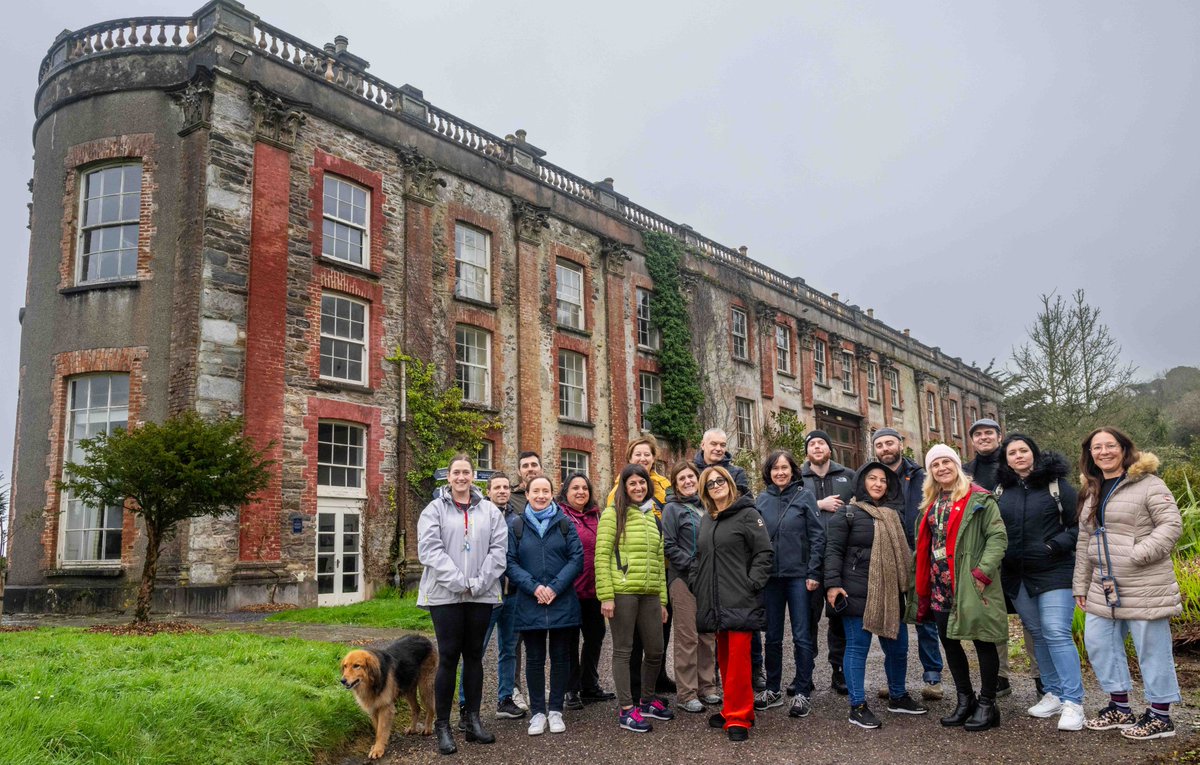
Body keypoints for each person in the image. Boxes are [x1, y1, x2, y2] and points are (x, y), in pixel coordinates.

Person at [1074, 427, 1183, 741]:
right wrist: (1080, 584)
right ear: (1090, 454)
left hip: (1144, 581)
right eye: (1097, 447)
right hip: (1102, 584)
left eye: (1110, 445)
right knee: (1098, 641)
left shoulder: (1149, 484)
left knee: (1151, 648)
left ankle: (1161, 716)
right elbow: (1084, 541)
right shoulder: (1091, 489)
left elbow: (1170, 524)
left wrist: (1138, 554)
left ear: (1124, 449)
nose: (1104, 451)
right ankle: (1119, 707)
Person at [910, 444, 1008, 733]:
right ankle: (965, 699)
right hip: (940, 582)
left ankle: (988, 703)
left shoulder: (979, 499)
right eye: (935, 465)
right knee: (949, 642)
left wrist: (982, 572)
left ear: (956, 465)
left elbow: (997, 537)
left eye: (946, 462)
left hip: (970, 580)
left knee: (982, 640)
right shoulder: (930, 502)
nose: (942, 468)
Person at [825, 462, 928, 729]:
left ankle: (898, 695)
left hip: (891, 592)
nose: (878, 483)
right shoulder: (848, 513)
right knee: (857, 648)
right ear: (862, 482)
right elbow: (833, 551)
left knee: (898, 647)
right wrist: (833, 584)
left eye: (884, 480)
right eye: (872, 478)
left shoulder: (895, 515)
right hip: (856, 591)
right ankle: (857, 706)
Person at [416, 454, 508, 755]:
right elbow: (430, 550)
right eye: (456, 472)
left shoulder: (490, 512)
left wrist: (479, 581)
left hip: (480, 593)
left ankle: (473, 721)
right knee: (449, 656)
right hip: (446, 595)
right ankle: (443, 725)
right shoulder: (434, 510)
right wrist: (459, 581)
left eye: (466, 472)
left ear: (473, 476)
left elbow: (498, 550)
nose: (461, 477)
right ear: (448, 476)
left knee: (474, 656)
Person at [996, 433, 1084, 731]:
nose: (1018, 456)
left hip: (1054, 570)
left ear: (1033, 453)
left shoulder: (1056, 485)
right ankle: (1054, 693)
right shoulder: (1000, 490)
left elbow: (1078, 527)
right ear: (1005, 459)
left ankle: (1074, 702)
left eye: (1024, 450)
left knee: (1056, 631)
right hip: (1016, 574)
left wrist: (1052, 547)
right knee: (1037, 632)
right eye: (1012, 453)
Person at [691, 465, 774, 742]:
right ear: (705, 491)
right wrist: (696, 582)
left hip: (739, 598)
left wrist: (751, 584)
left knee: (739, 660)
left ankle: (739, 717)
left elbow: (764, 553)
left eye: (720, 480)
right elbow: (698, 556)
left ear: (729, 482)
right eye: (710, 483)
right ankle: (733, 709)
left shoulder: (748, 514)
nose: (716, 485)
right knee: (725, 659)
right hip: (714, 600)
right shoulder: (707, 519)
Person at [595, 464, 673, 733]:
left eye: (642, 483)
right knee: (623, 651)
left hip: (651, 593)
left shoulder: (652, 515)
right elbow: (602, 556)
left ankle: (647, 699)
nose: (638, 487)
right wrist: (606, 596)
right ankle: (627, 709)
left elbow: (659, 560)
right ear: (624, 488)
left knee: (655, 651)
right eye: (632, 484)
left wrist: (662, 599)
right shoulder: (612, 514)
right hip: (623, 592)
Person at [506, 474, 585, 736]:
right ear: (526, 495)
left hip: (561, 599)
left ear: (553, 494)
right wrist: (535, 587)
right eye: (535, 491)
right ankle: (538, 712)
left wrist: (554, 587)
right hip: (531, 601)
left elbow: (576, 558)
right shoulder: (516, 526)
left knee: (561, 657)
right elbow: (510, 562)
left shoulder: (564, 523)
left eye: (546, 491)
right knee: (535, 658)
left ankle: (556, 710)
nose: (541, 496)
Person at [872, 428, 944, 700]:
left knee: (925, 617)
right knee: (890, 618)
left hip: (919, 554)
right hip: (887, 555)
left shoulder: (921, 475)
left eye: (889, 442)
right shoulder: (874, 478)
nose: (885, 448)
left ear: (901, 444)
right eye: (879, 445)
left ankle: (932, 678)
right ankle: (894, 679)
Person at [754, 449, 822, 718]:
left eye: (784, 468)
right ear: (768, 473)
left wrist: (814, 573)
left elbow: (818, 537)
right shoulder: (761, 500)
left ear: (793, 470)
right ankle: (773, 689)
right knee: (772, 637)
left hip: (799, 577)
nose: (780, 472)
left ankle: (803, 692)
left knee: (802, 636)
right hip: (771, 578)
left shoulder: (805, 497)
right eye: (775, 468)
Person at [606, 435, 675, 696]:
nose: (643, 458)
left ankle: (658, 677)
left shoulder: (666, 487)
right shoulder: (618, 491)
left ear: (654, 458)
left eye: (647, 454)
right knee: (632, 636)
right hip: (632, 571)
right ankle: (634, 684)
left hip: (661, 566)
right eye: (638, 454)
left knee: (660, 629)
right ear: (629, 458)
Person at [693, 427, 761, 688]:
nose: (719, 449)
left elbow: (746, 504)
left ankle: (754, 671)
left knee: (743, 623)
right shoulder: (692, 470)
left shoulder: (736, 473)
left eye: (723, 444)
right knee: (714, 626)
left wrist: (752, 581)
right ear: (703, 444)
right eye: (714, 444)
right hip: (706, 552)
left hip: (733, 556)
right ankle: (716, 677)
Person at [457, 472, 526, 723]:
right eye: (497, 487)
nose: (502, 491)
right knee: (476, 650)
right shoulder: (479, 517)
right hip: (487, 593)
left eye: (506, 487)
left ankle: (505, 699)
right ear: (488, 491)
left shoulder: (518, 519)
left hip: (513, 594)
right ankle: (466, 706)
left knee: (509, 649)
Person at [962, 418, 1018, 696]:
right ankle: (1000, 675)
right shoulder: (966, 471)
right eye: (978, 434)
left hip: (1015, 550)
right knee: (991, 617)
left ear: (1000, 436)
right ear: (971, 440)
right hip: (981, 555)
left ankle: (1042, 679)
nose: (983, 438)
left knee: (1029, 621)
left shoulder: (1014, 465)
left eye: (989, 433)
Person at [662, 461, 720, 713]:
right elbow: (669, 545)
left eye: (691, 477)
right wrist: (692, 565)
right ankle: (686, 693)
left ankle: (707, 687)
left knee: (707, 636)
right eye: (682, 478)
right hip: (683, 579)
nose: (687, 481)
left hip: (709, 580)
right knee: (687, 637)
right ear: (675, 484)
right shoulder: (672, 509)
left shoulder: (708, 506)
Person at [801, 430, 855, 695]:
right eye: (812, 444)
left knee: (838, 617)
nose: (817, 446)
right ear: (807, 451)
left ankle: (839, 671)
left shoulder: (848, 476)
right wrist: (818, 503)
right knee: (807, 619)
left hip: (840, 559)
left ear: (830, 449)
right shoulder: (798, 478)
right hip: (808, 560)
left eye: (822, 442)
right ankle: (805, 673)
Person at [558, 472, 616, 707]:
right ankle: (570, 690)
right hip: (570, 590)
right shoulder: (559, 516)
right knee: (569, 641)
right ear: (566, 492)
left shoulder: (596, 516)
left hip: (594, 590)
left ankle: (589, 685)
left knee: (595, 637)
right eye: (575, 488)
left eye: (585, 488)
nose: (581, 492)